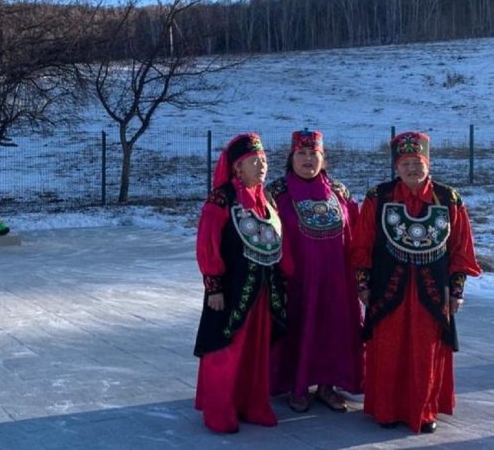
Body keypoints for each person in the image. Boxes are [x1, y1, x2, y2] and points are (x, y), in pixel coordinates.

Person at [349, 131, 481, 434]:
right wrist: (363, 284)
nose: (412, 169)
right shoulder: (378, 197)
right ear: (396, 167)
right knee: (388, 347)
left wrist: (456, 290)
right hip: (387, 287)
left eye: (417, 163)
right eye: (405, 163)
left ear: (428, 164)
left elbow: (461, 249)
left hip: (433, 290)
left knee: (426, 349)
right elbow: (361, 245)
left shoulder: (448, 198)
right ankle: (386, 409)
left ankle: (423, 411)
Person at [193, 132, 293, 434]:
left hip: (264, 289)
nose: (262, 166)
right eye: (254, 161)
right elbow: (208, 242)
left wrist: (286, 277)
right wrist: (214, 286)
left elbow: (279, 241)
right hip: (231, 288)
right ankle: (219, 410)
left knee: (256, 350)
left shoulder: (267, 199)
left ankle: (253, 404)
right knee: (226, 349)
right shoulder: (222, 198)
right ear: (237, 166)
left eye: (264, 160)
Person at [267, 129, 364, 413]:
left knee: (333, 330)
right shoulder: (276, 193)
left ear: (323, 158)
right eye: (302, 153)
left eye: (314, 154)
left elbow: (357, 231)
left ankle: (327, 386)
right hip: (296, 280)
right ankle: (296, 387)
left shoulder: (339, 192)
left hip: (337, 279)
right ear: (291, 157)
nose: (308, 159)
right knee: (298, 329)